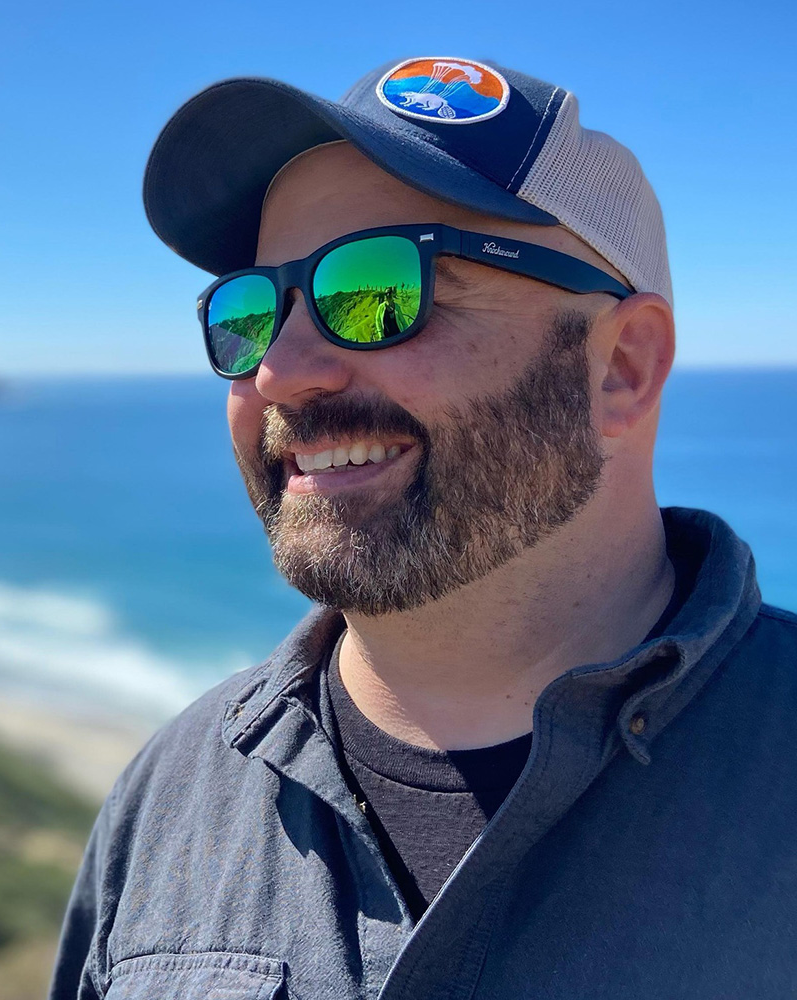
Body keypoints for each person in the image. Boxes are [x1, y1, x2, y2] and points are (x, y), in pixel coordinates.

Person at [48, 56, 797, 999]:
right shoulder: (168, 801)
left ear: (622, 368)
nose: (278, 372)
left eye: (379, 289)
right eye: (251, 311)